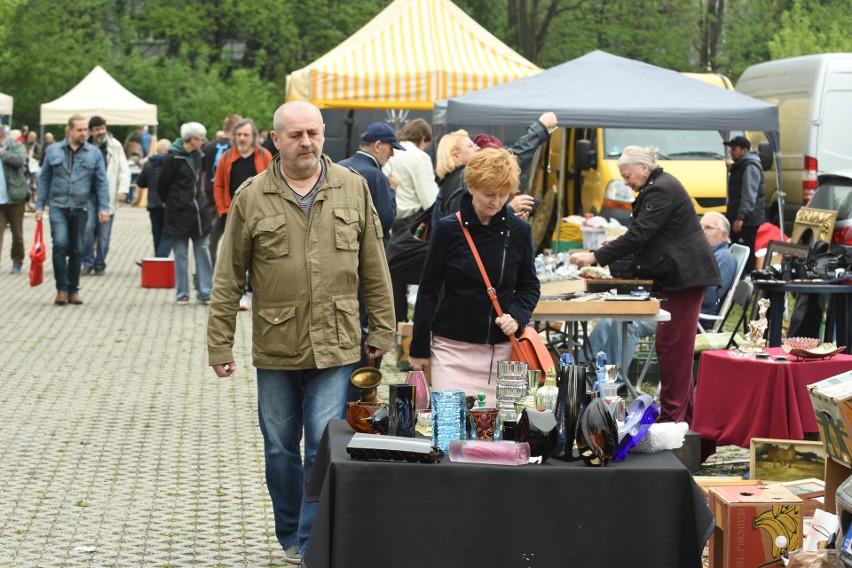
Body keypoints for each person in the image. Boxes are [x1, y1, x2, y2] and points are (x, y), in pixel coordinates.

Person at [207, 100, 395, 565]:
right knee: (279, 449)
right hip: (276, 345)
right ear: (276, 139)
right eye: (296, 135)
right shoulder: (252, 196)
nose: (306, 142)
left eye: (313, 132)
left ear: (324, 134)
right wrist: (219, 343)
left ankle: (312, 541)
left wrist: (384, 330)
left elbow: (375, 265)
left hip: (337, 341)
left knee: (324, 443)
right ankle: (289, 530)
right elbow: (228, 276)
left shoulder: (352, 188)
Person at [570, 146, 720, 425]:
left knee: (673, 348)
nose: (625, 182)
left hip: (684, 278)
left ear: (643, 168)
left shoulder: (661, 189)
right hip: (679, 277)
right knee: (675, 348)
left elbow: (640, 234)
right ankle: (684, 417)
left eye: (627, 176)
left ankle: (672, 419)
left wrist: (597, 256)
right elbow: (644, 235)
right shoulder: (659, 186)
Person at [408, 148, 541, 406]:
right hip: (451, 348)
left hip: (500, 352)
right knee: (449, 426)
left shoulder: (520, 231)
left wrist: (517, 315)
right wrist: (419, 346)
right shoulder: (448, 229)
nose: (497, 202)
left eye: (503, 195)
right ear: (471, 187)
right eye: (489, 194)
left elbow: (529, 286)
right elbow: (428, 290)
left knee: (495, 433)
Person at [588, 211, 738, 381]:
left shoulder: (724, 258)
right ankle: (587, 370)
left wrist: (674, 285)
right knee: (612, 318)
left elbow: (710, 298)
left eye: (708, 227)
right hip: (673, 307)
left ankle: (612, 382)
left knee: (626, 323)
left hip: (687, 316)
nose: (702, 231)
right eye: (700, 226)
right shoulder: (705, 255)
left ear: (724, 235)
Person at [36, 115, 109, 306]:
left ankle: (73, 290)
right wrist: (38, 205)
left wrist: (103, 207)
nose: (84, 133)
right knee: (60, 244)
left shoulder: (94, 153)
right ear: (69, 130)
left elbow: (101, 182)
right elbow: (44, 179)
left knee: (77, 248)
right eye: (80, 130)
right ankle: (61, 289)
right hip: (58, 206)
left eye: (86, 130)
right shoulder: (53, 150)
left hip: (81, 206)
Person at [212, 118, 272, 310]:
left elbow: (273, 182)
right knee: (229, 253)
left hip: (258, 213)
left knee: (259, 254)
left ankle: (252, 292)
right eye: (238, 134)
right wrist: (222, 208)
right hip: (231, 212)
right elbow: (219, 184)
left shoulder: (264, 155)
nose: (242, 138)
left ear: (254, 137)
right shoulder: (227, 157)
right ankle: (230, 292)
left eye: (246, 134)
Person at [158, 122, 212, 305]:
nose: (203, 141)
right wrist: (172, 202)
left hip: (199, 213)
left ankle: (205, 292)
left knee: (203, 253)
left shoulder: (200, 156)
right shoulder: (172, 158)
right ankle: (182, 293)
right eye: (200, 138)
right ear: (191, 140)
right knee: (180, 255)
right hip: (178, 214)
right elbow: (162, 185)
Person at [81, 116, 131, 276]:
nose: (101, 132)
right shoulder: (84, 146)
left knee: (104, 232)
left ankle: (100, 263)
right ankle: (87, 261)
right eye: (97, 129)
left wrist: (123, 189)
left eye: (103, 128)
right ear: (91, 131)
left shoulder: (114, 146)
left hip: (107, 193)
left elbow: (124, 168)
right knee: (87, 229)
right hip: (87, 194)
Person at [338, 122, 400, 243]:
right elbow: (385, 222)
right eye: (391, 148)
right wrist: (392, 190)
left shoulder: (339, 166)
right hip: (367, 252)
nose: (392, 153)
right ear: (377, 146)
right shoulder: (377, 176)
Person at [201, 114, 241, 267]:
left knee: (211, 240)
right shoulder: (237, 149)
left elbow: (201, 174)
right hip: (231, 199)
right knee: (237, 243)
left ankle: (205, 275)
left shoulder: (209, 146)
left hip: (211, 198)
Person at [724, 135, 765, 274]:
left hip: (747, 220)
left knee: (746, 255)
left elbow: (749, 194)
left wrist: (740, 218)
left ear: (745, 150)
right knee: (738, 252)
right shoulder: (741, 165)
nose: (731, 151)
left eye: (734, 148)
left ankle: (748, 284)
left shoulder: (750, 166)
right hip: (741, 218)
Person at [383, 118, 438, 220]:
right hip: (411, 221)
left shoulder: (390, 152)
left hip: (389, 216)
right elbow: (429, 199)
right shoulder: (420, 156)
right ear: (422, 139)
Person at [136, 138, 172, 258]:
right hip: (168, 204)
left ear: (157, 150)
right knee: (167, 234)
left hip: (153, 204)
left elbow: (141, 183)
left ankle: (157, 262)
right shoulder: (171, 163)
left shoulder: (149, 164)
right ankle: (161, 258)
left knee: (157, 235)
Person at [0, 125, 29, 274]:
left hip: (15, 197)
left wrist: (3, 153)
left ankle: (17, 261)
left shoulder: (16, 145)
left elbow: (19, 160)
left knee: (17, 234)